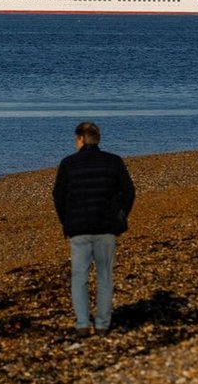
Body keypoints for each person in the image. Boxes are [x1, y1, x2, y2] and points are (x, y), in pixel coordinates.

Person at [52, 122, 135, 337]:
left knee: (79, 276)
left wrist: (66, 221)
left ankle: (82, 324)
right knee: (104, 276)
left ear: (80, 139)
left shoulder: (69, 164)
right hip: (106, 226)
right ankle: (102, 324)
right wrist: (120, 214)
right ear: (97, 139)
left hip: (79, 228)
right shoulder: (113, 162)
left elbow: (58, 196)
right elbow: (128, 192)